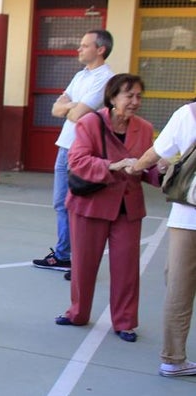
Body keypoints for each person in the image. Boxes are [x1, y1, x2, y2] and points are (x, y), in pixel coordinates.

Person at [54, 74, 157, 343]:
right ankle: (77, 312)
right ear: (112, 98)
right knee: (84, 265)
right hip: (90, 204)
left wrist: (162, 170)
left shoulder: (144, 128)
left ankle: (124, 322)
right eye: (129, 96)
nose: (135, 102)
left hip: (128, 206)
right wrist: (111, 166)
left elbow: (147, 166)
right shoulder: (90, 122)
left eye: (139, 96)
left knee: (126, 268)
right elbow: (77, 160)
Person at [32, 29, 115, 274]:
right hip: (65, 146)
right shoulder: (80, 75)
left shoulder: (106, 79)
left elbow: (78, 114)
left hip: (83, 151)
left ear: (100, 49)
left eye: (84, 45)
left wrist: (69, 108)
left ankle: (80, 260)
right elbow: (57, 108)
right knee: (61, 203)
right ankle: (63, 254)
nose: (79, 49)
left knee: (79, 206)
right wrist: (70, 107)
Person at [128, 100, 196, 375]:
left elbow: (154, 154)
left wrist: (133, 168)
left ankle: (173, 358)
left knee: (179, 288)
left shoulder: (188, 114)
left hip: (188, 215)